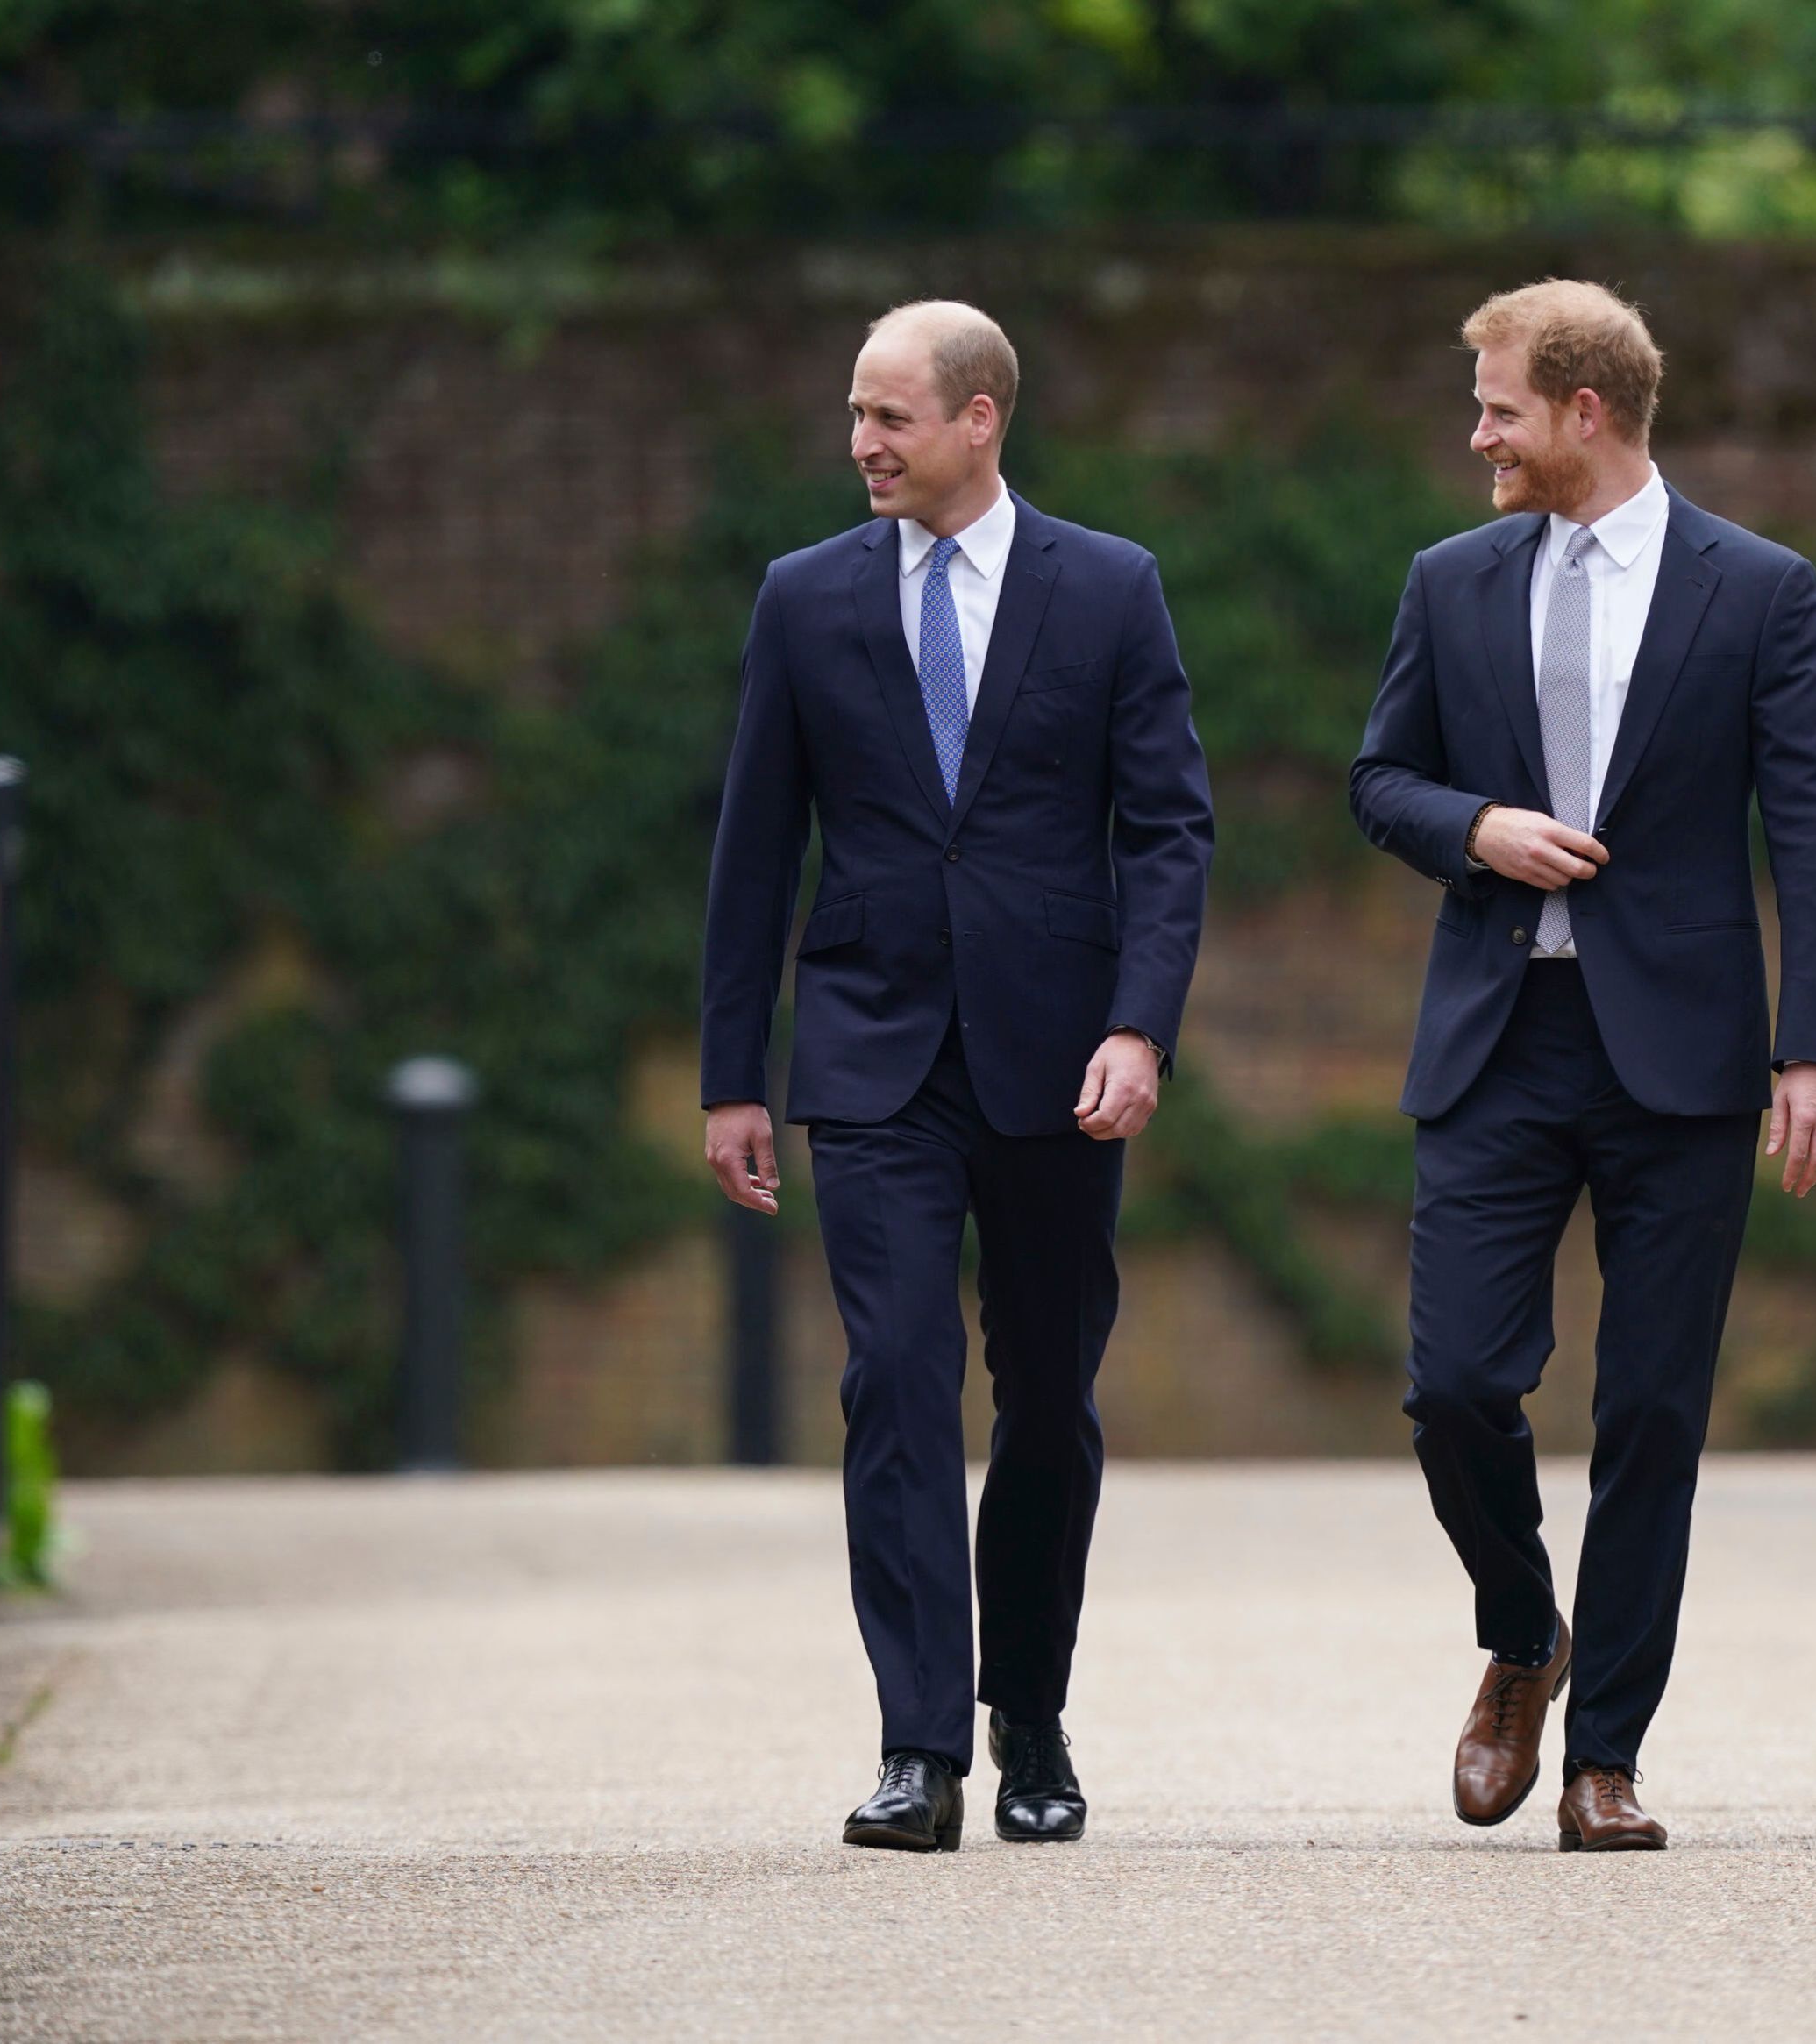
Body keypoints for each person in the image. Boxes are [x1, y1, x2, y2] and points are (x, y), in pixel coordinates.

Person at [1349, 279, 1816, 1852]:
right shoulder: (1449, 581)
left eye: (1498, 405)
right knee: (1451, 1385)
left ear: (1584, 412)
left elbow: (1815, 826)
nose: (1477, 432)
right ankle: (1523, 1632)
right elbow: (1379, 778)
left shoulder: (1760, 588)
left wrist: (1815, 1053)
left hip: (1683, 1059)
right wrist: (1476, 828)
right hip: (1498, 1040)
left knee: (1650, 1413)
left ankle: (1607, 1759)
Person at [699, 300, 1213, 1851]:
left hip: (1058, 1058)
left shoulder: (1109, 588)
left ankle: (1031, 1715)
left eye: (889, 416)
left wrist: (1140, 1025)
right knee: (897, 1381)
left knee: (1046, 1397)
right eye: (854, 415)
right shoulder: (802, 600)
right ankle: (919, 1747)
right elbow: (751, 851)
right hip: (868, 1058)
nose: (860, 442)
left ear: (980, 417)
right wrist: (735, 1073)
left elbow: (1168, 830)